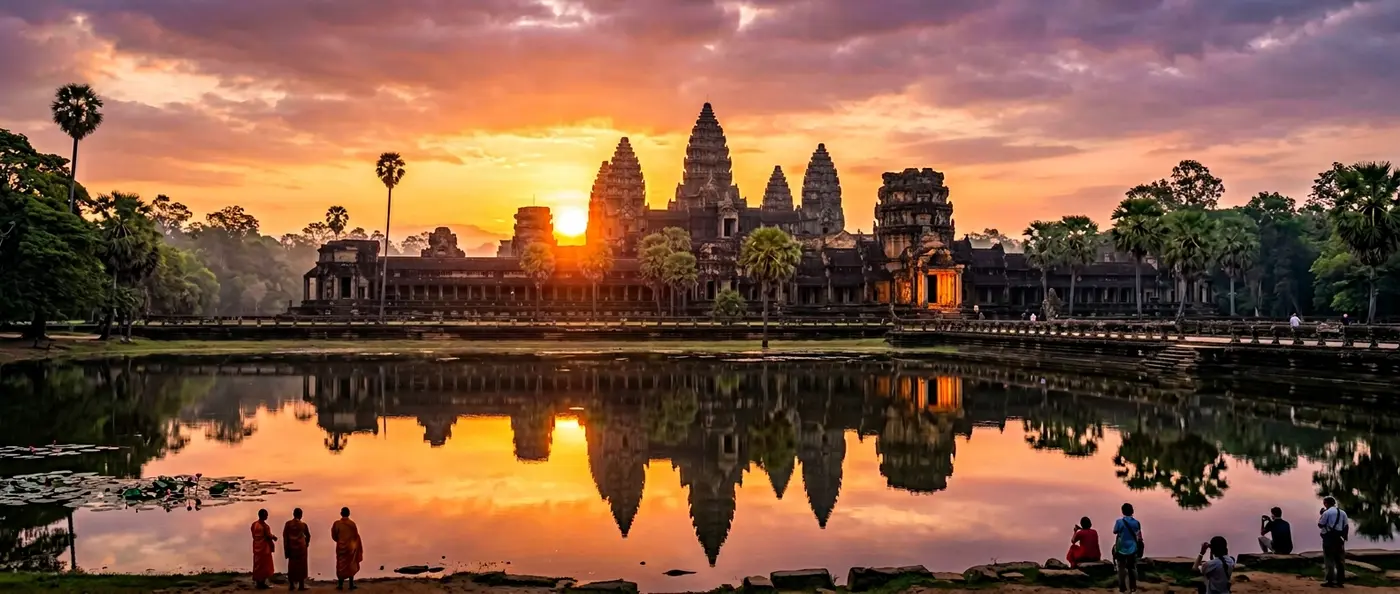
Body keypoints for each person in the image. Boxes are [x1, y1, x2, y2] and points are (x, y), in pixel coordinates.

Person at [1112, 503, 1143, 594]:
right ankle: (1133, 588)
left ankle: (1122, 588)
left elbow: (1115, 531)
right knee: (1132, 567)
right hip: (1133, 548)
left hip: (1121, 548)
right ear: (1132, 511)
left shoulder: (1119, 522)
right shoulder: (1136, 523)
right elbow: (1139, 535)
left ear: (1123, 511)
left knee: (1121, 567)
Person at [1319, 496, 1349, 588]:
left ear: (1326, 503)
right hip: (1339, 539)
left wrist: (1322, 514)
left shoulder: (1327, 513)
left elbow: (1320, 524)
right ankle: (1340, 581)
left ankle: (1330, 580)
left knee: (1329, 560)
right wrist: (1344, 538)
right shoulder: (1342, 512)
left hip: (1329, 539)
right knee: (1340, 561)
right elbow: (1346, 526)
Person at [332, 507, 364, 591]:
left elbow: (334, 535)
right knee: (351, 564)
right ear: (348, 514)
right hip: (350, 548)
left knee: (340, 565)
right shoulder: (352, 524)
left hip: (341, 547)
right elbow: (355, 536)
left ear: (341, 514)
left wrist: (340, 541)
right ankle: (351, 584)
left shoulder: (337, 524)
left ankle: (340, 584)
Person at [283, 508, 312, 591]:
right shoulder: (303, 525)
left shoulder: (288, 524)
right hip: (301, 548)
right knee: (302, 566)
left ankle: (291, 585)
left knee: (292, 566)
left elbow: (285, 536)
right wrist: (306, 543)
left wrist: (286, 548)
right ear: (301, 515)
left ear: (293, 514)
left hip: (291, 547)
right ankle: (301, 585)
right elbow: (308, 536)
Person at [251, 509, 278, 590]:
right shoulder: (265, 526)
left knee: (257, 565)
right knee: (264, 566)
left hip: (256, 547)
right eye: (266, 515)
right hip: (264, 548)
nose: (267, 516)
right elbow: (268, 536)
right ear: (263, 516)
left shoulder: (254, 524)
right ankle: (262, 583)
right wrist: (274, 537)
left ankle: (258, 582)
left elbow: (253, 535)